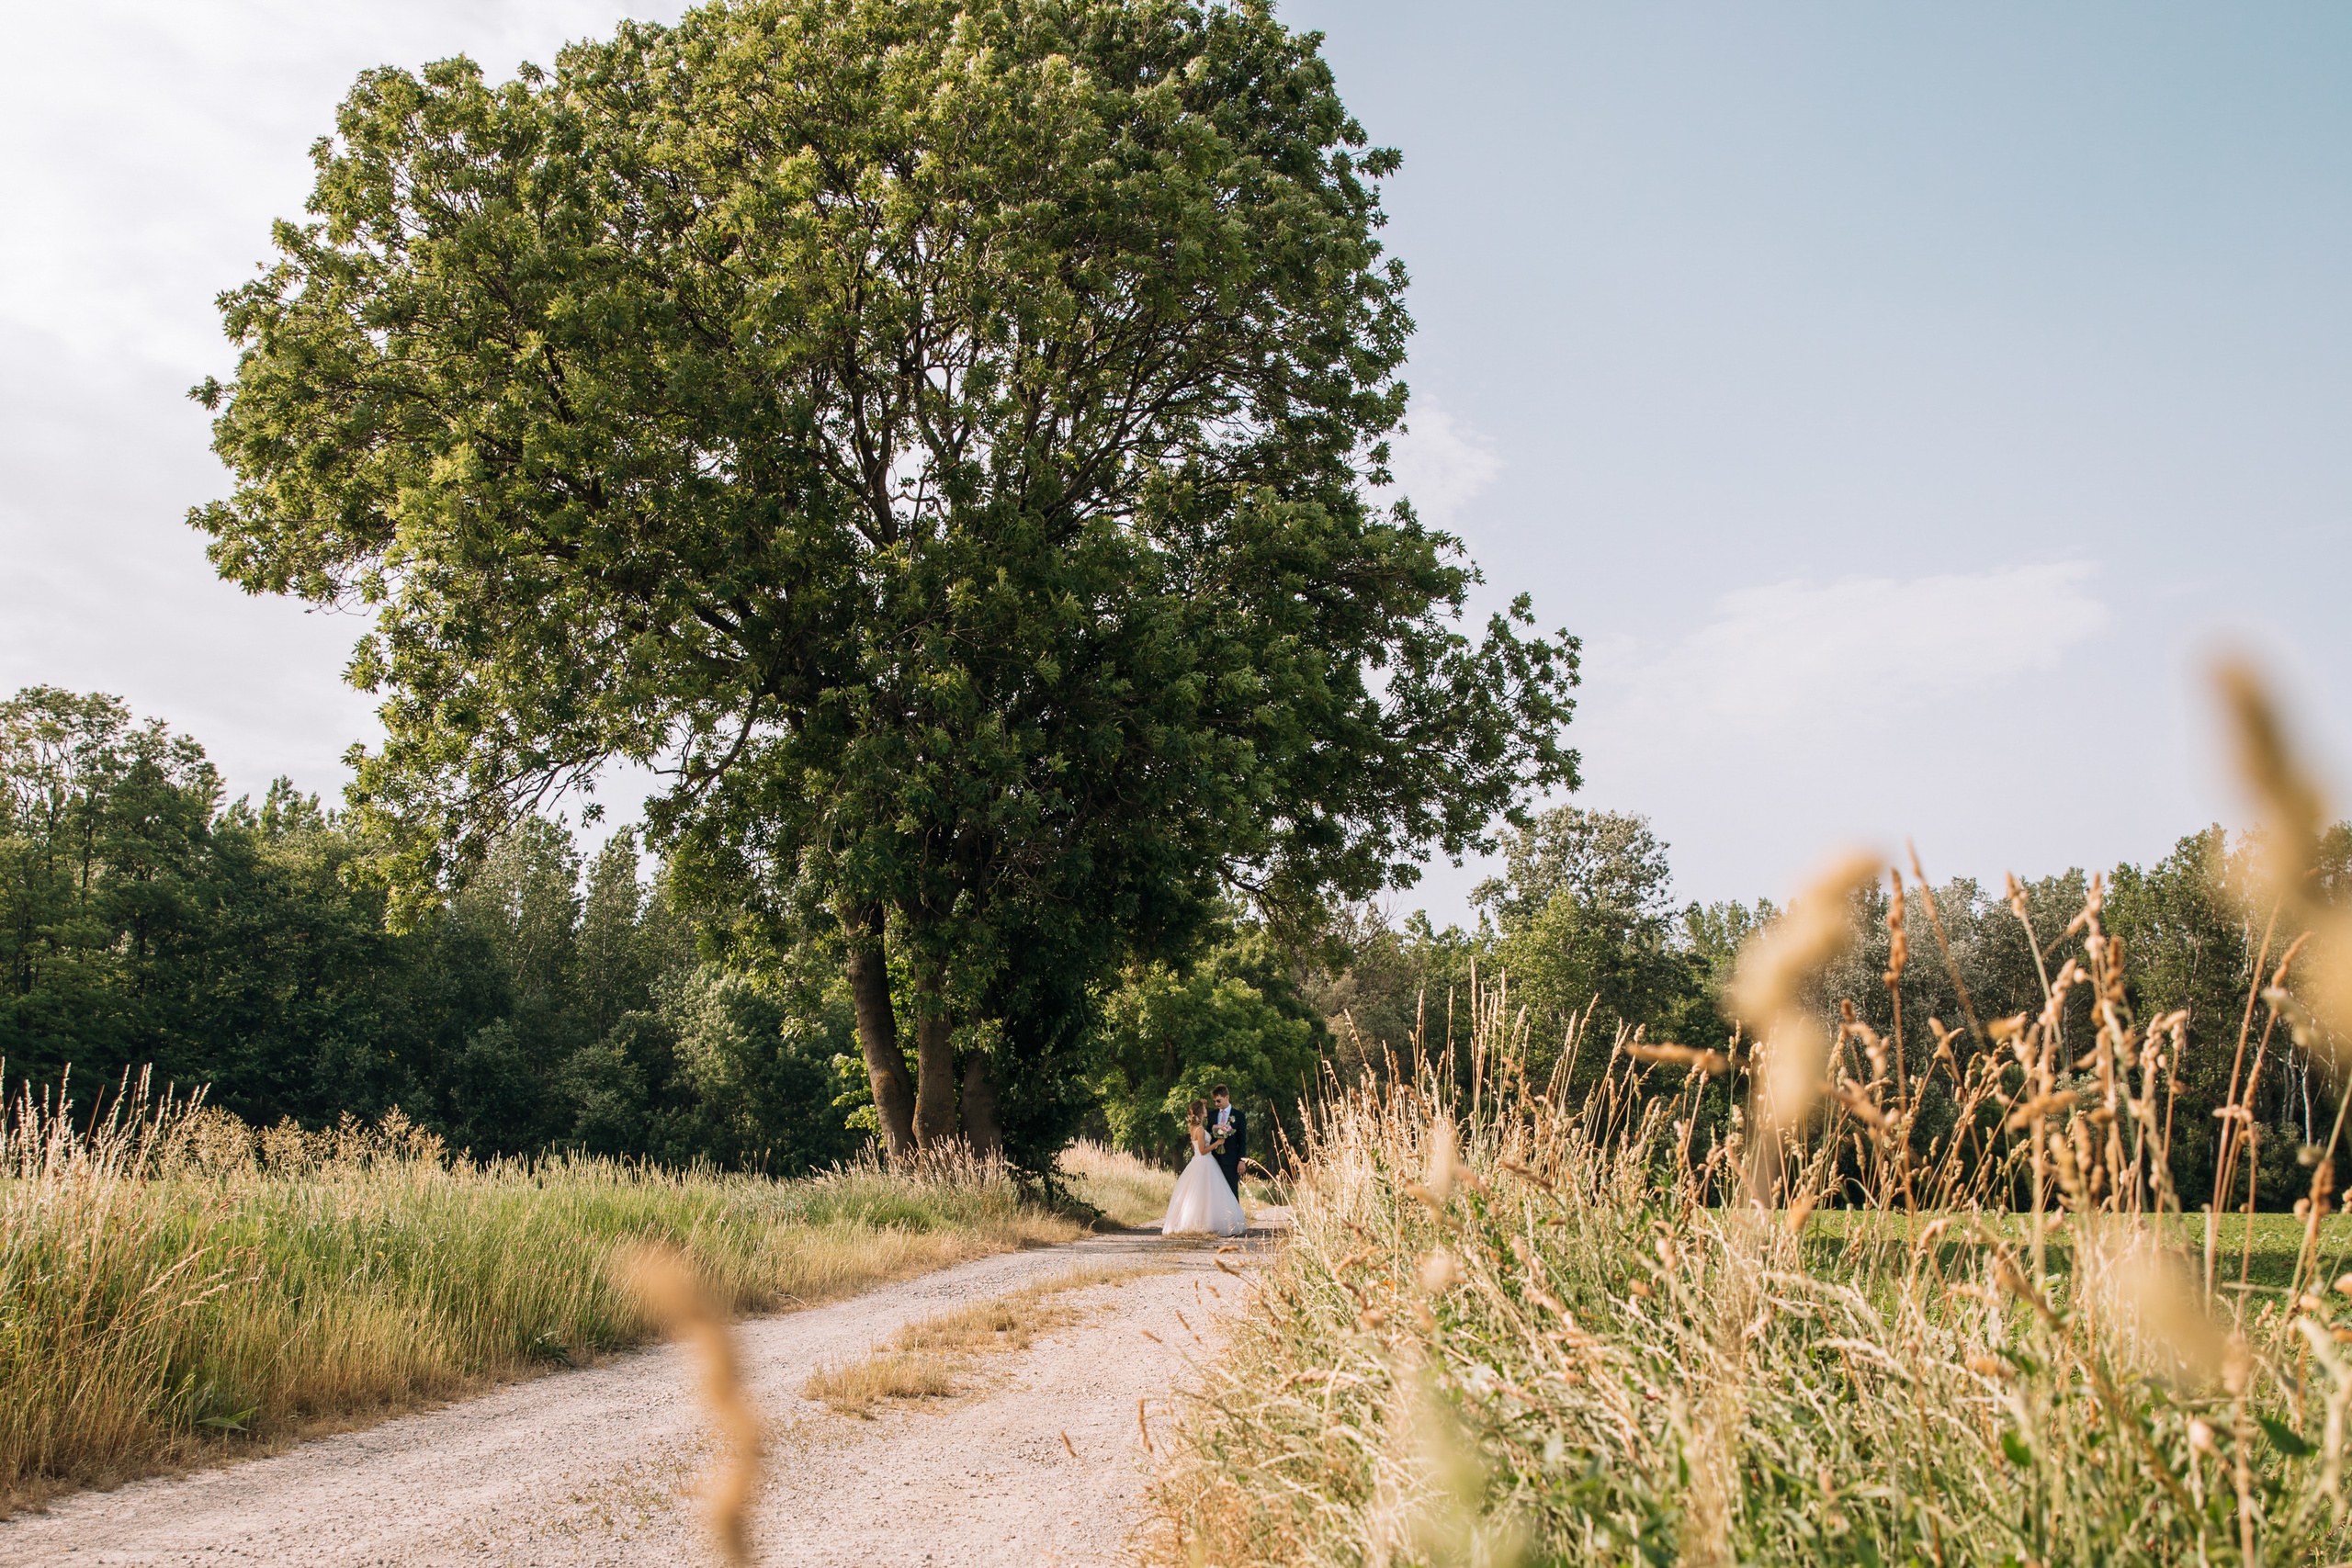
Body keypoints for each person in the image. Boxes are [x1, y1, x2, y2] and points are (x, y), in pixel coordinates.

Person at [1160, 1099, 1247, 1236]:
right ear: (1201, 1113)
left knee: (1204, 1195)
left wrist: (1203, 1105)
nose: (1207, 1111)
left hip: (1201, 1162)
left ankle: (1205, 1223)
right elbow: (1202, 1150)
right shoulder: (1199, 1130)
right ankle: (1203, 1224)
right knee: (1204, 1194)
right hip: (1204, 1161)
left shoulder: (1196, 1127)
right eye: (1205, 1109)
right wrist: (1218, 1143)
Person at [1208, 1084, 1247, 1198]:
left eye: (1218, 1101)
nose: (1216, 1104)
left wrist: (1242, 1160)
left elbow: (1242, 1140)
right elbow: (1208, 1135)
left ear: (1227, 1097)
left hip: (1231, 1160)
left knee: (1232, 1191)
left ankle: (1234, 1216)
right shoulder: (1211, 1115)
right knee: (1215, 1192)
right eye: (1214, 1101)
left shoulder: (1239, 1116)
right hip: (1214, 1159)